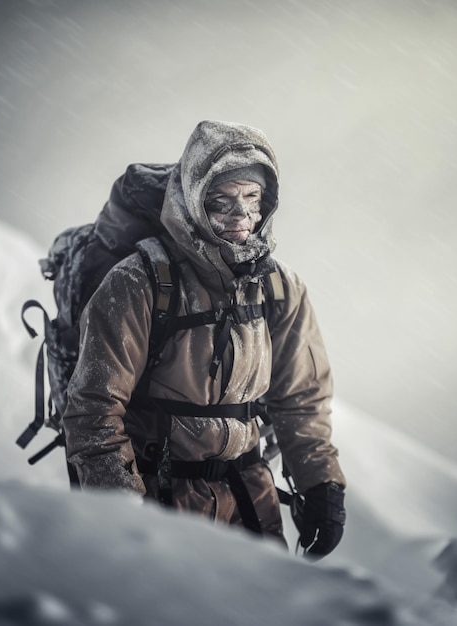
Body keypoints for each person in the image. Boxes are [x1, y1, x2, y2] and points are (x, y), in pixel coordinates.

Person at [62, 120, 346, 556]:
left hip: (251, 501)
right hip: (158, 499)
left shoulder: (279, 287)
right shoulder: (138, 282)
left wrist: (321, 484)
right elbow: (93, 409)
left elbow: (301, 398)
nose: (241, 218)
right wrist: (126, 516)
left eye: (253, 199)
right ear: (194, 200)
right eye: (222, 201)